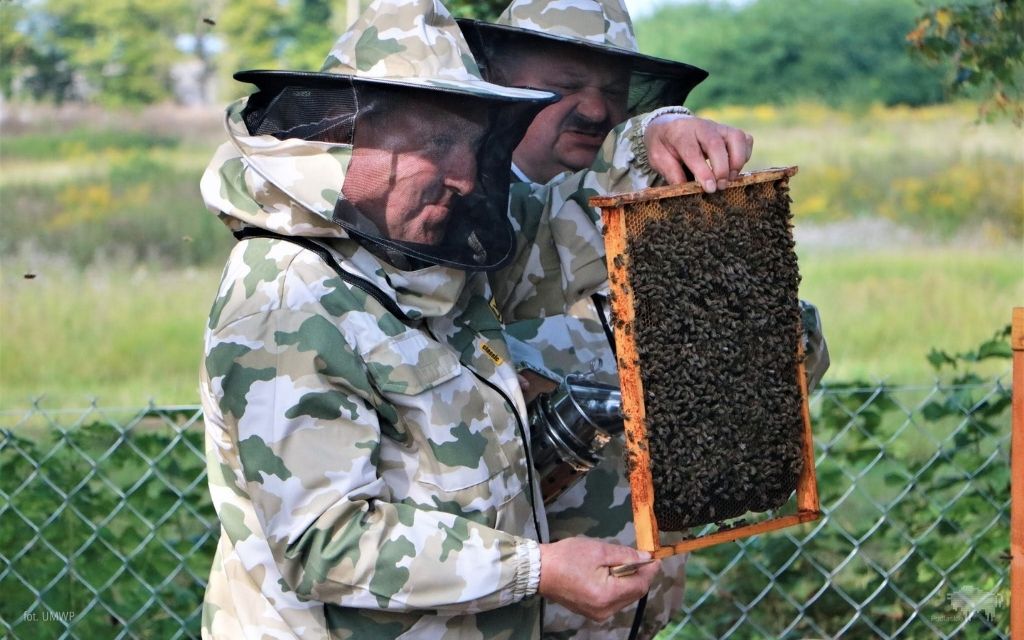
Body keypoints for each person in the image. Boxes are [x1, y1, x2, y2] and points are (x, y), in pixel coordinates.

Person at [198, 0, 665, 637]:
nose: (463, 177)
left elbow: (583, 223)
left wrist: (659, 131)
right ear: (348, 134)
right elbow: (325, 540)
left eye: (472, 145)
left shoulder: (433, 250)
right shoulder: (287, 293)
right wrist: (537, 569)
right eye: (436, 144)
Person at [459, 1, 829, 638]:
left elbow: (797, 365)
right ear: (499, 79)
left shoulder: (647, 205)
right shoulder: (446, 208)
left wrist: (767, 325)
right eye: (566, 84)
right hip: (499, 610)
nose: (597, 109)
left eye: (613, 90)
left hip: (630, 617)